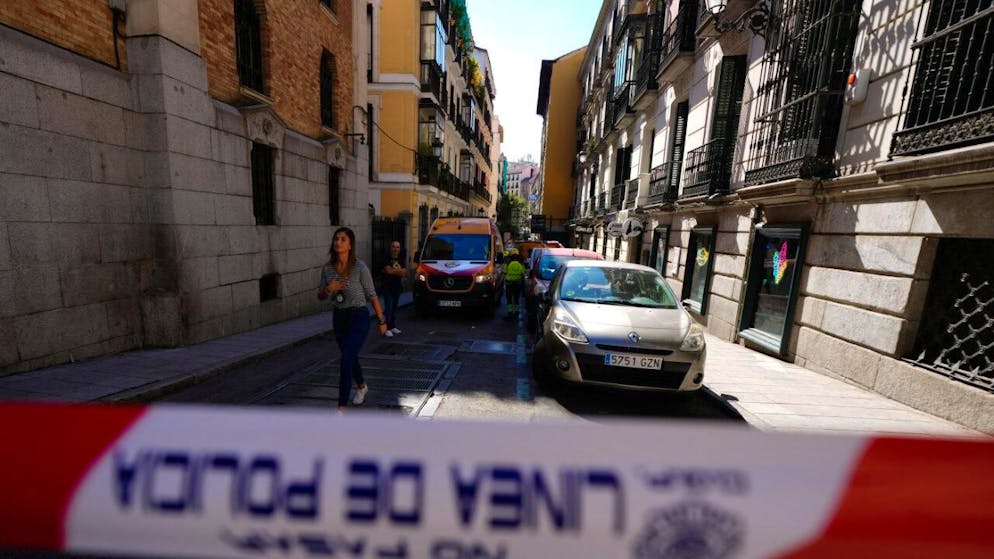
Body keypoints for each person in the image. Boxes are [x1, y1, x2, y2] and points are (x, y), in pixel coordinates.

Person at [318, 227, 389, 412]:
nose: (338, 242)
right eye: (336, 239)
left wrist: (382, 321)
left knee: (346, 359)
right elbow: (320, 296)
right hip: (339, 318)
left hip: (359, 317)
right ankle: (362, 386)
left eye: (343, 239)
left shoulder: (359, 267)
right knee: (349, 356)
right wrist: (329, 289)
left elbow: (372, 295)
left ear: (350, 245)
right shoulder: (327, 269)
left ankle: (341, 408)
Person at [381, 241, 405, 337]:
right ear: (390, 248)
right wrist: (398, 271)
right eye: (394, 247)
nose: (395, 249)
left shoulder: (401, 259)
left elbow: (403, 273)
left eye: (397, 247)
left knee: (394, 307)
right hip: (387, 286)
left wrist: (393, 271)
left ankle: (392, 326)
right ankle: (386, 328)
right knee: (388, 307)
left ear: (399, 249)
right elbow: (388, 271)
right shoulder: (386, 258)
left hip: (397, 287)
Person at [504, 249, 526, 319]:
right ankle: (516, 312)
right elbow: (523, 273)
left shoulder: (508, 262)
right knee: (516, 298)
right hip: (518, 283)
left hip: (509, 283)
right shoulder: (521, 262)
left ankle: (510, 312)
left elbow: (504, 271)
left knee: (509, 298)